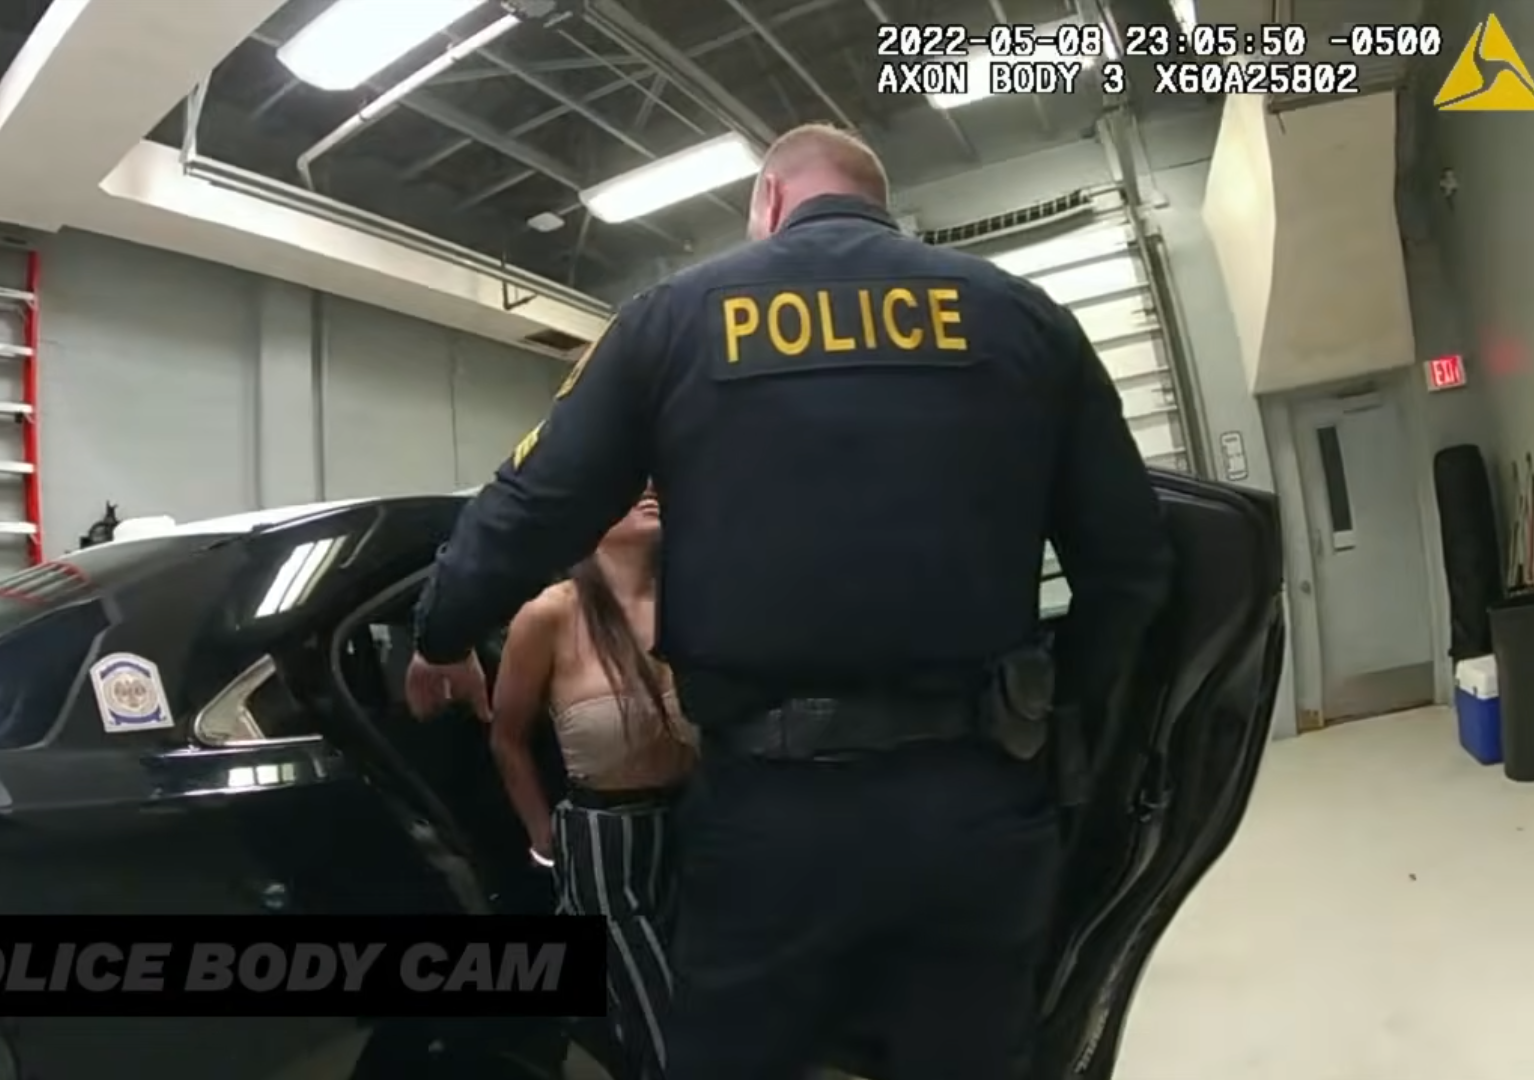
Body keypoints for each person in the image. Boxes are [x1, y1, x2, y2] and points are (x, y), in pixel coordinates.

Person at [402, 122, 1173, 1080]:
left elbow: (534, 502)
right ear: (878, 201)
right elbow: (1131, 563)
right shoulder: (1023, 316)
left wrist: (442, 632)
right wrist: (1064, 717)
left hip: (772, 815)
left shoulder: (674, 319)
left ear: (766, 201)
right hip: (977, 800)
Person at [486, 486, 690, 1080]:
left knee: (709, 1013)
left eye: (653, 478)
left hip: (696, 829)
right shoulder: (550, 614)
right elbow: (507, 737)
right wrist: (541, 836)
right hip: (605, 845)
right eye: (626, 482)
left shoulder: (691, 599)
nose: (649, 489)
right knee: (667, 1032)